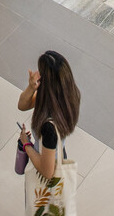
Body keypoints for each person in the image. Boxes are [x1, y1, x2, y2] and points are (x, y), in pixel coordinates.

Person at [18, 51, 81, 211]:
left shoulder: (49, 126)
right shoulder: (70, 96)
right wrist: (31, 87)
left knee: (42, 207)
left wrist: (26, 145)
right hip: (58, 152)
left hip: (46, 162)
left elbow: (47, 171)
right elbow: (22, 105)